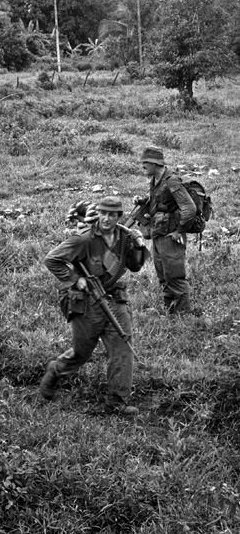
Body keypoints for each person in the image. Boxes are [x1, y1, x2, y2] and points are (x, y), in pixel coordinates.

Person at [39, 196, 149, 416]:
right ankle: (55, 370)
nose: (106, 219)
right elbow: (52, 260)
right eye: (103, 213)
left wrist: (139, 246)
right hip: (87, 302)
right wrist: (74, 279)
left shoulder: (124, 237)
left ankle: (116, 402)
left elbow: (135, 267)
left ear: (119, 216)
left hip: (114, 299)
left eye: (112, 214)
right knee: (82, 353)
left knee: (122, 347)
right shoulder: (84, 239)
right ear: (98, 213)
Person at [139, 146, 196, 314]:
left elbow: (189, 208)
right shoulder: (155, 180)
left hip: (171, 236)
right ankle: (171, 311)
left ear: (155, 164)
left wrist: (179, 231)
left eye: (146, 163)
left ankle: (183, 315)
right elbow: (159, 201)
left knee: (175, 276)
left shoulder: (171, 180)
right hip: (158, 233)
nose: (143, 167)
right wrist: (143, 201)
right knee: (163, 274)